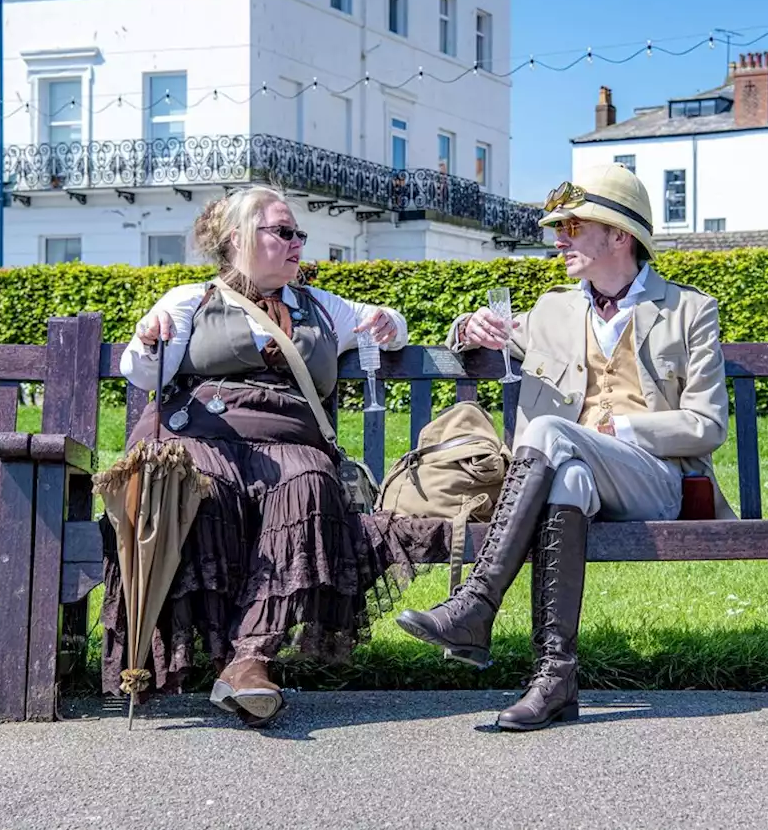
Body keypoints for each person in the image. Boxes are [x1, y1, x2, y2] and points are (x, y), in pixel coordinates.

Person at [396, 163, 733, 731]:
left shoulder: (688, 311)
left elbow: (708, 425)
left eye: (572, 228)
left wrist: (617, 431)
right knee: (569, 473)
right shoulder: (554, 309)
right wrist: (468, 327)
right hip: (578, 482)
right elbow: (484, 333)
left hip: (655, 480)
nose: (558, 240)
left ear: (619, 236)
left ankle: (477, 604)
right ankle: (554, 678)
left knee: (550, 434)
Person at [105, 186, 447, 727]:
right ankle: (229, 661)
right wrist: (150, 341)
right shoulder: (190, 299)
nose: (297, 245)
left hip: (291, 441)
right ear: (239, 239)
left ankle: (249, 661)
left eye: (298, 235)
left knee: (311, 482)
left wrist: (387, 321)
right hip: (204, 435)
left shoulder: (320, 306)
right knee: (202, 486)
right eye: (283, 233)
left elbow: (389, 325)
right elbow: (143, 372)